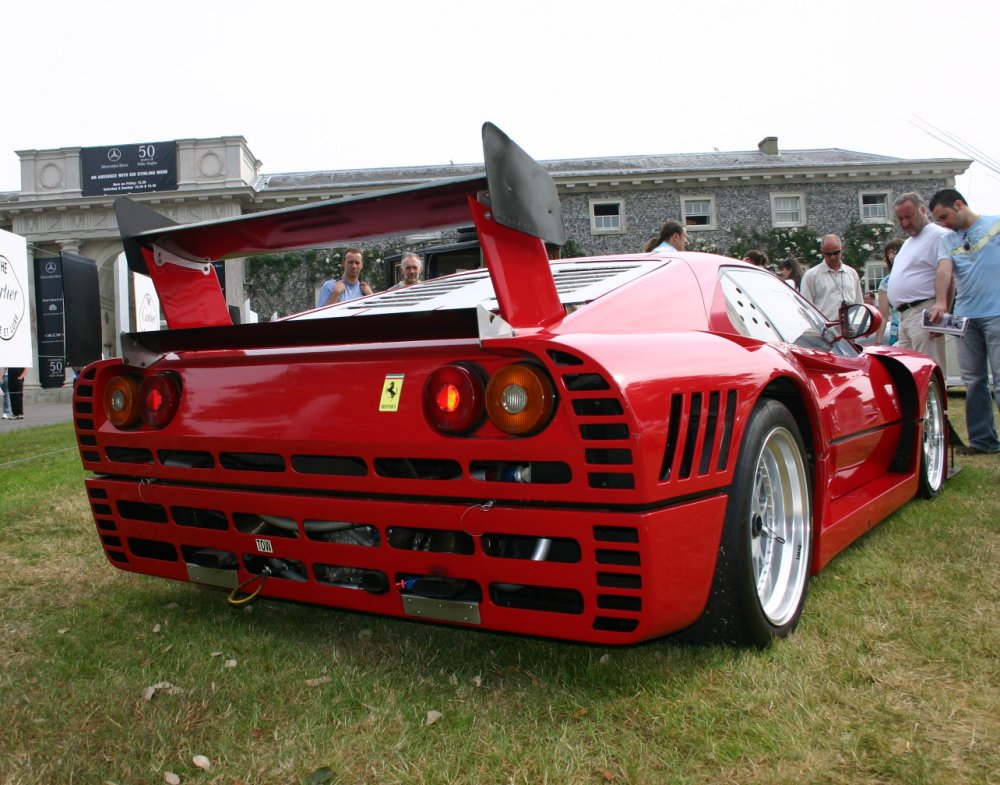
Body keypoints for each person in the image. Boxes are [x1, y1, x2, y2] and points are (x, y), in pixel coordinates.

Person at [928, 188, 1000, 455]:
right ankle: (983, 441)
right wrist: (940, 302)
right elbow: (944, 270)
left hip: (997, 315)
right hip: (967, 318)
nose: (943, 224)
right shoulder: (947, 241)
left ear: (959, 205)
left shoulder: (995, 225)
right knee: (974, 381)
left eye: (945, 217)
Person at [885, 193, 950, 370]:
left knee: (928, 370)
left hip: (924, 311)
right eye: (900, 219)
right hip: (904, 316)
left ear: (922, 210)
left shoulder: (939, 235)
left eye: (909, 216)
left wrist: (943, 309)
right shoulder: (908, 242)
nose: (905, 223)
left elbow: (949, 274)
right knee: (908, 372)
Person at [799, 234, 864, 320]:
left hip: (850, 329)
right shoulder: (811, 276)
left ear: (842, 249)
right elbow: (805, 308)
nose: (833, 257)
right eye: (828, 254)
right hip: (824, 328)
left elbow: (859, 304)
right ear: (822, 252)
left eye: (836, 253)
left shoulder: (852, 273)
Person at [876, 238, 903, 345]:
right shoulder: (885, 283)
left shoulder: (914, 276)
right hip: (896, 332)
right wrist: (878, 341)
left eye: (895, 252)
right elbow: (883, 315)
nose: (891, 257)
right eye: (889, 253)